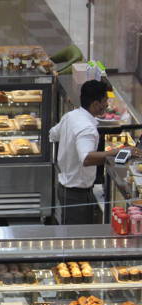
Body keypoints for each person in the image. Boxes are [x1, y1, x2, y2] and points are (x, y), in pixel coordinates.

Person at [49, 80, 141, 224]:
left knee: (73, 234)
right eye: (104, 101)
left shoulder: (71, 116)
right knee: (78, 238)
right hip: (76, 194)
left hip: (66, 187)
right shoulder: (87, 129)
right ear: (95, 104)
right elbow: (87, 158)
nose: (107, 105)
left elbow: (53, 134)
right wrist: (116, 153)